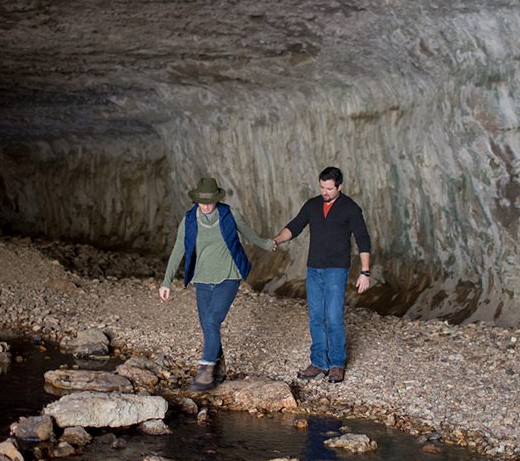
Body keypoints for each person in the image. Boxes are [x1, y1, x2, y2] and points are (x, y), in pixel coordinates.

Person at [159, 176, 275, 391]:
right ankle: (219, 368)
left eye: (209, 201)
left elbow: (250, 235)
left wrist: (268, 244)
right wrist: (166, 282)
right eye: (201, 201)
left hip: (228, 277)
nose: (205, 206)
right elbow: (178, 249)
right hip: (202, 279)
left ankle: (205, 370)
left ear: (217, 199)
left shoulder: (230, 215)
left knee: (213, 320)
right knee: (207, 325)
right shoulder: (190, 220)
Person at [272, 166, 372, 383]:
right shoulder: (312, 205)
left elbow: (363, 239)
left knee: (333, 317)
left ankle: (336, 364)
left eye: (329, 188)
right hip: (314, 269)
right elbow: (295, 226)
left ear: (340, 187)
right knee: (316, 317)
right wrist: (277, 240)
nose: (325, 192)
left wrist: (365, 272)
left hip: (336, 269)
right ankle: (319, 362)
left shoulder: (350, 208)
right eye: (322, 188)